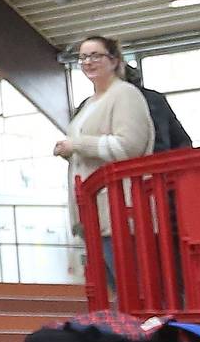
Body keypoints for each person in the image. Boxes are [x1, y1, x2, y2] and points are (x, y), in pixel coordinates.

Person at [55, 36, 155, 283]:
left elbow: (129, 146)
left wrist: (77, 144)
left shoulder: (125, 94)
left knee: (135, 286)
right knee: (116, 288)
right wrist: (70, 152)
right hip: (93, 212)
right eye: (83, 57)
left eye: (95, 55)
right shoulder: (88, 103)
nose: (89, 62)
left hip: (121, 209)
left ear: (114, 60)